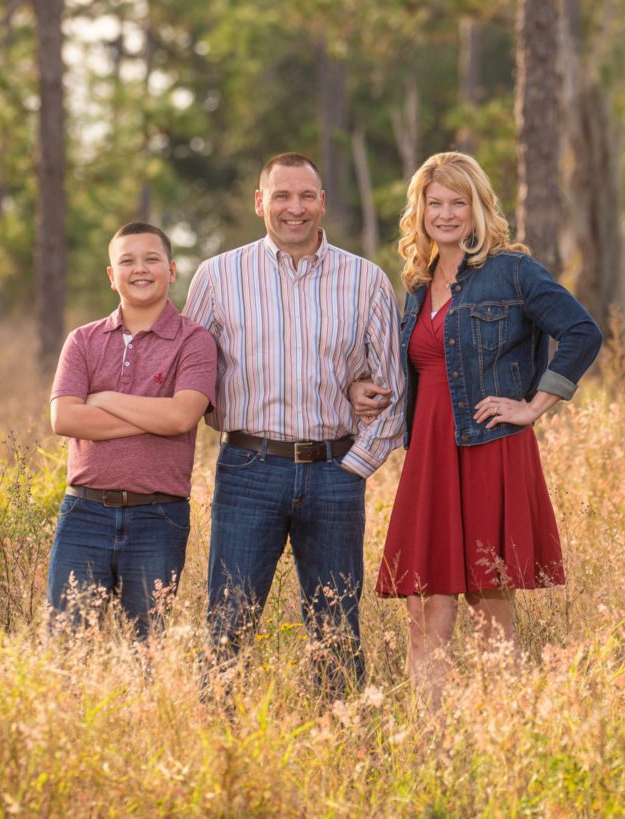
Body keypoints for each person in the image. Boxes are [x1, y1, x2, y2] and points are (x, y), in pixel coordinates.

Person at [354, 151, 601, 704]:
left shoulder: (513, 270)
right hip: (430, 455)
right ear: (418, 212)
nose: (445, 214)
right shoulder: (417, 283)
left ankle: (501, 737)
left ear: (478, 207)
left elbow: (582, 332)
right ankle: (432, 741)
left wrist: (533, 406)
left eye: (456, 203)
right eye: (433, 203)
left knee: (488, 597)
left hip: (489, 446)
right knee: (424, 600)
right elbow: (427, 368)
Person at [183, 152, 404, 693]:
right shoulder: (217, 277)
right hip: (248, 468)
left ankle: (342, 745)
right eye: (281, 195)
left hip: (335, 470)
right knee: (229, 621)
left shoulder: (365, 280)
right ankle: (219, 749)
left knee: (336, 627)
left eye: (306, 196)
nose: (294, 208)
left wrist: (355, 467)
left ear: (322, 203)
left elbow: (393, 388)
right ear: (260, 203)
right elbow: (191, 374)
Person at [48, 222, 217, 639]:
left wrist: (103, 399)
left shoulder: (195, 341)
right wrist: (152, 417)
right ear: (111, 275)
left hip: (158, 516)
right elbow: (65, 419)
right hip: (84, 514)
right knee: (67, 647)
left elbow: (182, 418)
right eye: (127, 261)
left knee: (146, 649)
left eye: (151, 259)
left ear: (172, 271)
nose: (140, 269)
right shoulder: (83, 340)